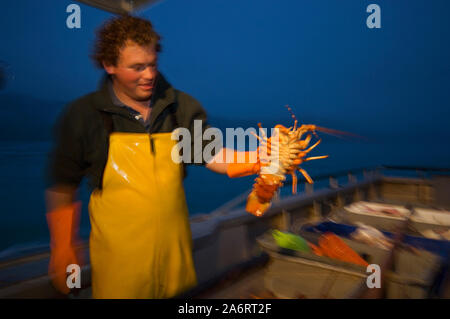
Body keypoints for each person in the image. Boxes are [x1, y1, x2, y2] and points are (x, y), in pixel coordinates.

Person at [45, 15, 266, 299]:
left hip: (177, 260)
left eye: (152, 64)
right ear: (109, 65)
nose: (149, 75)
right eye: (137, 67)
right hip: (120, 265)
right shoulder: (83, 115)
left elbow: (212, 154)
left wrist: (259, 159)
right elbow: (63, 183)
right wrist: (63, 246)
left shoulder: (179, 107)